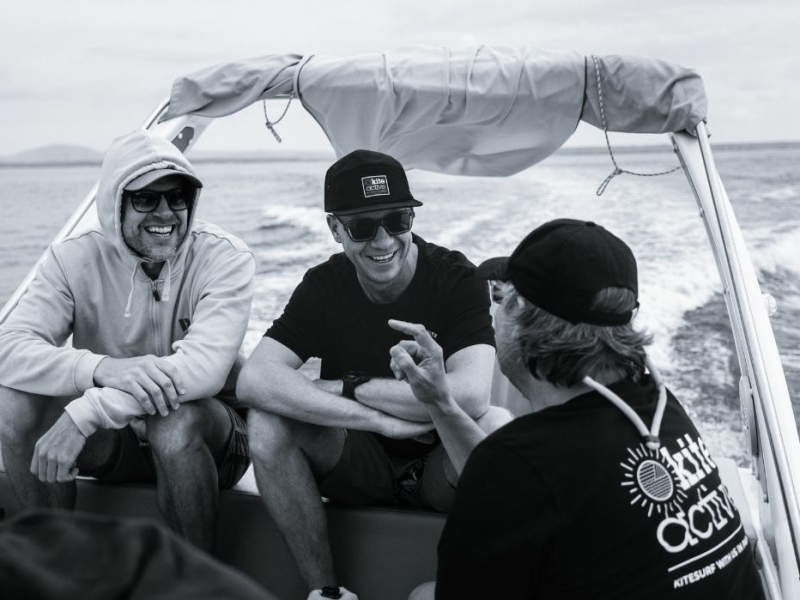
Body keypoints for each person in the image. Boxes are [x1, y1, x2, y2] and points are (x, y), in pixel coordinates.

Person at [394, 219, 764, 599]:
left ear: (520, 315)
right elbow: (551, 488)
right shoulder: (662, 410)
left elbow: (524, 482)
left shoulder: (520, 461)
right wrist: (440, 401)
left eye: (502, 300)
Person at [236, 149, 509, 600]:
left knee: (496, 429)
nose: (383, 241)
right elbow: (256, 380)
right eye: (362, 226)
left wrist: (352, 385)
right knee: (266, 423)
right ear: (335, 229)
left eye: (397, 220)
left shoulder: (456, 278)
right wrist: (380, 419)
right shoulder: (324, 286)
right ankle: (327, 594)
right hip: (360, 462)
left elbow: (472, 396)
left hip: (441, 466)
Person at [0, 129, 255, 552]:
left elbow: (203, 372)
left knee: (174, 421)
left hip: (212, 440)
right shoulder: (72, 259)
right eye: (146, 199)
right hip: (117, 439)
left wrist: (89, 408)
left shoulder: (224, 257)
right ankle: (58, 570)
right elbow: (8, 345)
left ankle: (198, 585)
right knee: (13, 401)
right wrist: (100, 369)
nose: (166, 212)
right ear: (114, 202)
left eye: (177, 197)